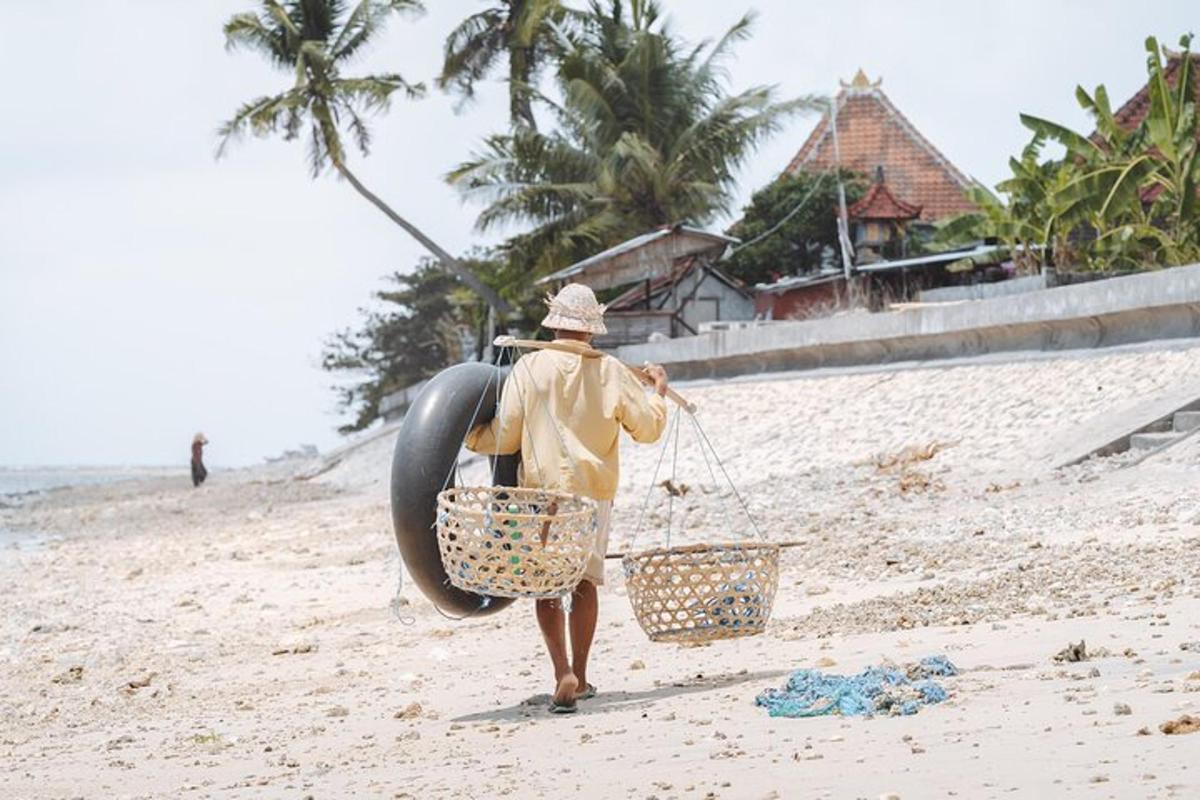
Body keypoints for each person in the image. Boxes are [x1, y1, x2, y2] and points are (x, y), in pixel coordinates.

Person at [465, 283, 669, 714]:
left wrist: (471, 437)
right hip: (593, 497)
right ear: (592, 329)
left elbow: (506, 434)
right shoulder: (611, 370)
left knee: (547, 586)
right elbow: (648, 431)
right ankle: (583, 673)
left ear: (553, 322)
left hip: (543, 495)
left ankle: (562, 673)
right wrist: (659, 394)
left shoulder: (531, 367)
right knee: (584, 583)